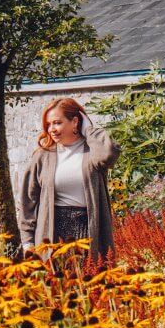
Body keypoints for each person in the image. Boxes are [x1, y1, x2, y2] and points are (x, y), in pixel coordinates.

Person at [17, 97, 121, 262]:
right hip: (53, 234)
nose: (52, 129)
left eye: (57, 122)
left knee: (90, 283)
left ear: (74, 122)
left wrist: (88, 130)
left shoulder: (92, 153)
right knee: (56, 284)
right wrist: (28, 242)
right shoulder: (43, 156)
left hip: (89, 232)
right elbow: (27, 203)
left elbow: (108, 154)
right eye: (48, 124)